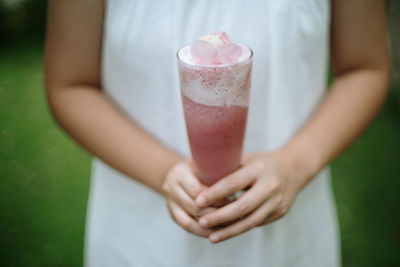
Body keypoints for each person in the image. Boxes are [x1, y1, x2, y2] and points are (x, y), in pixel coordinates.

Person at [45, 0, 389, 266]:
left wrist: (295, 165)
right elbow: (69, 83)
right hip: (141, 236)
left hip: (289, 235)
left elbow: (366, 66)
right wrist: (163, 170)